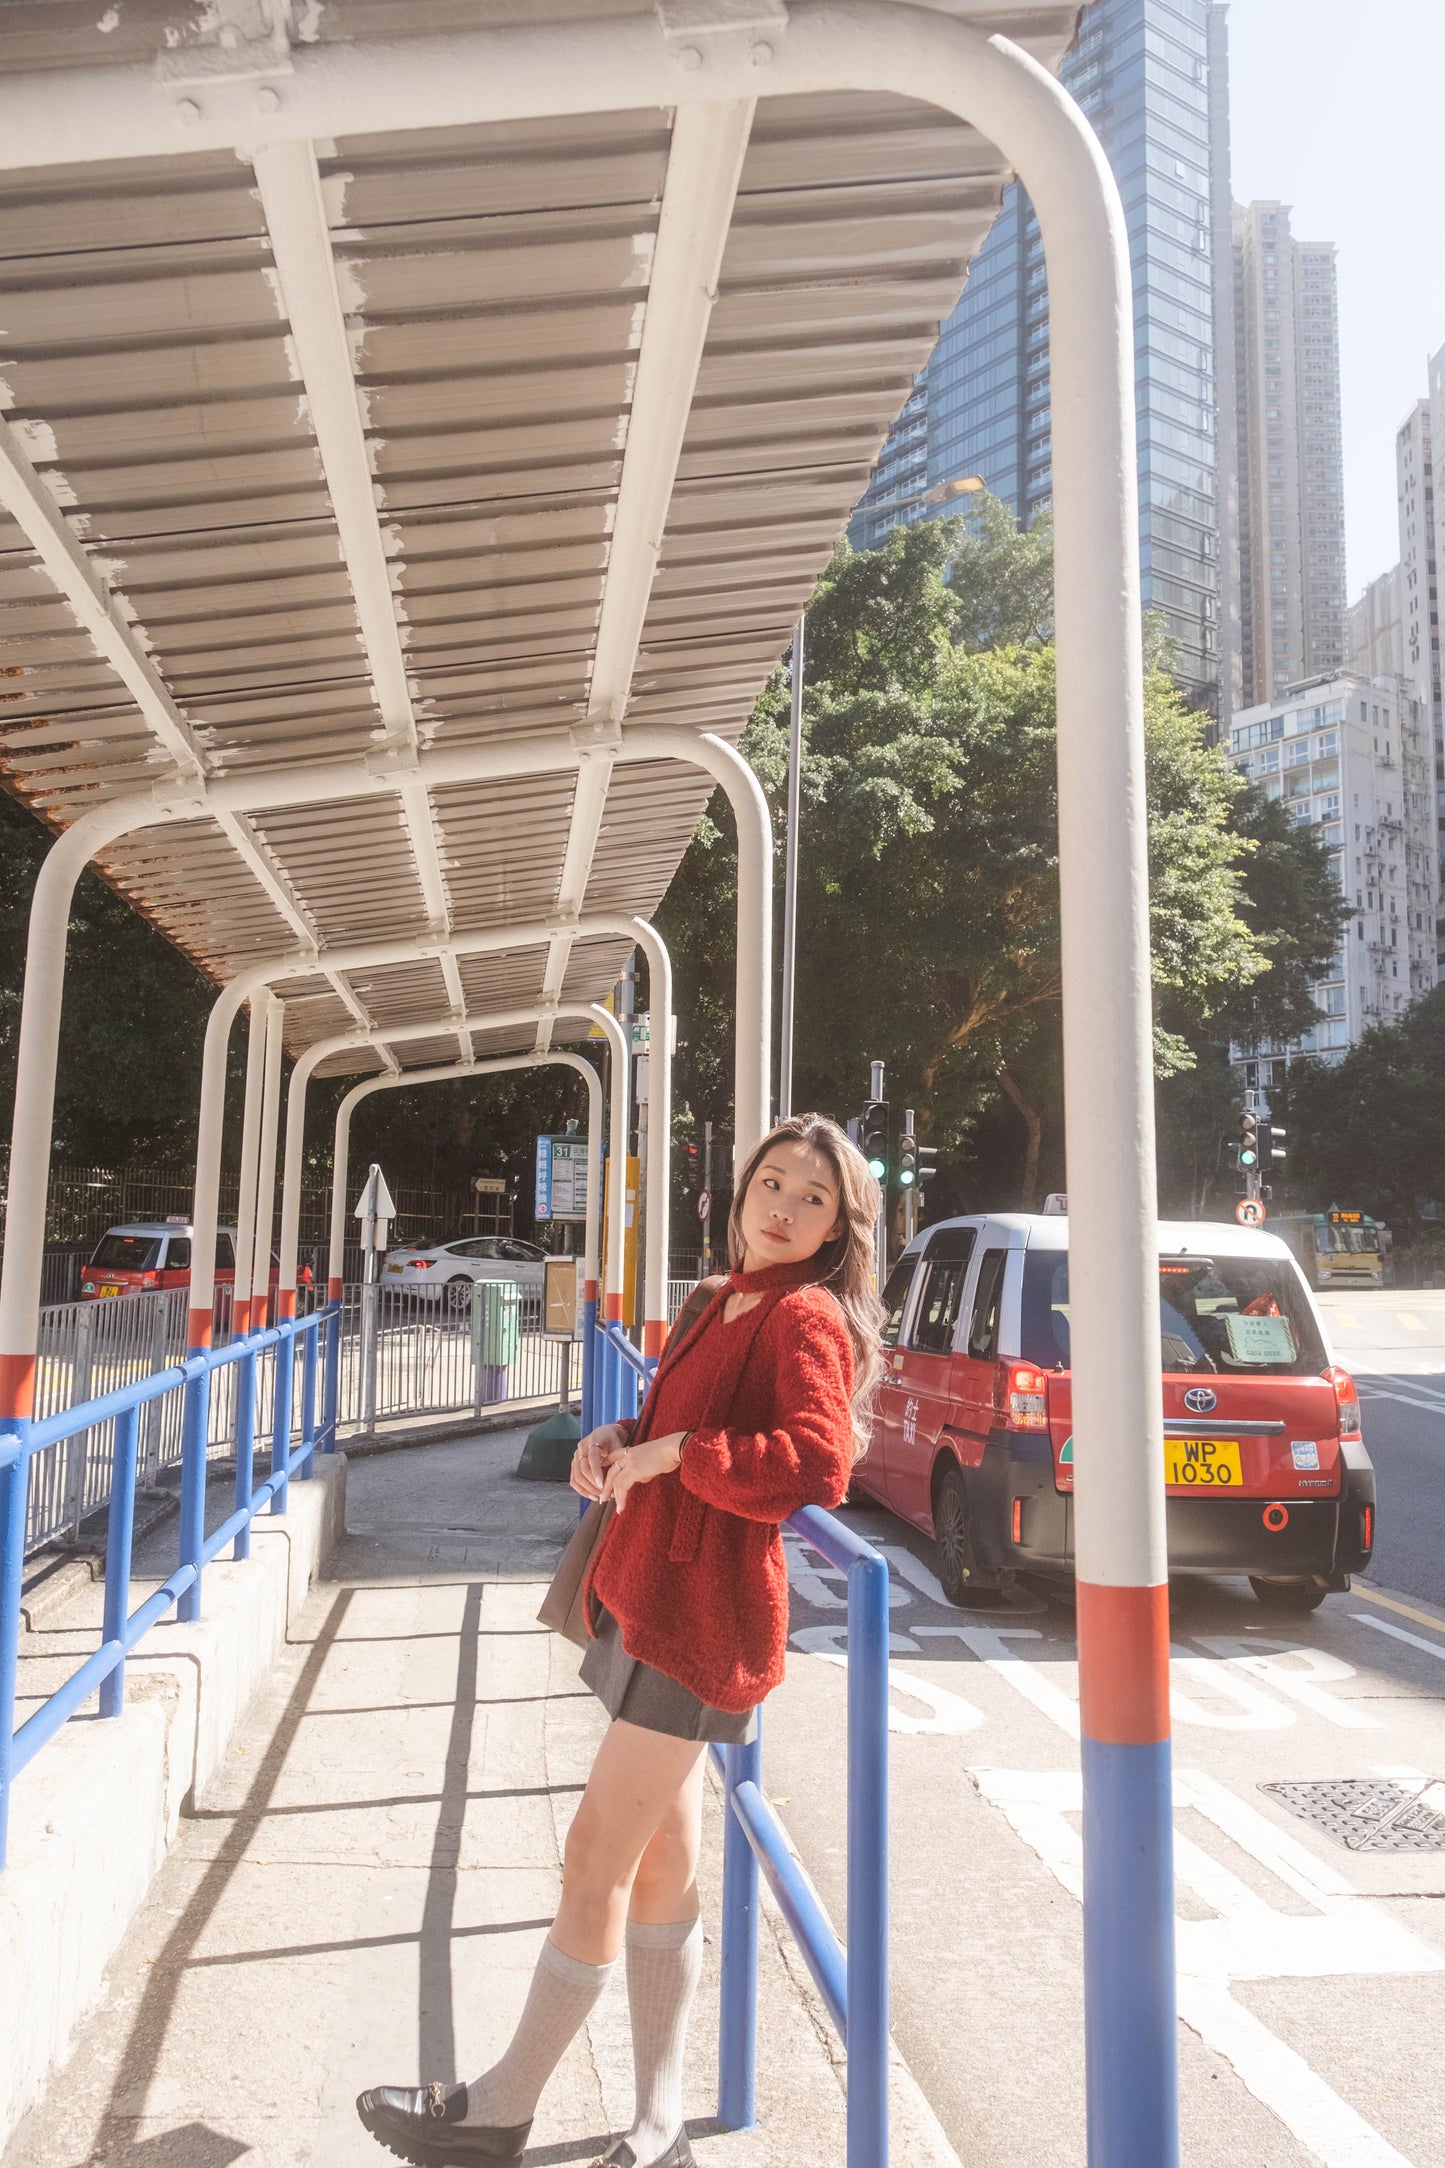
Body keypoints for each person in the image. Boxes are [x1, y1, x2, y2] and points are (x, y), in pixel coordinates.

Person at [358, 1113, 883, 2167]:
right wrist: (620, 1440)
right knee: (659, 1871)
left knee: (594, 1854)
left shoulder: (802, 1317)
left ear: (837, 1228)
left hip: (703, 1627)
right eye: (769, 1181)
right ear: (738, 1191)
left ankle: (502, 2106)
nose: (780, 1205)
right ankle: (658, 2122)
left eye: (810, 1197)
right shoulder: (716, 1297)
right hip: (652, 1599)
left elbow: (815, 1463)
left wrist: (681, 1453)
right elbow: (670, 1431)